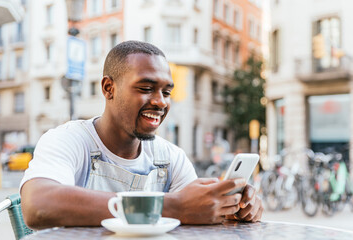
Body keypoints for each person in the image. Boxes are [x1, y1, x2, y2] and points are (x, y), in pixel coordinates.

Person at [20, 41, 263, 229]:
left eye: (167, 92)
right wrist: (173, 206)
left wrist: (229, 207)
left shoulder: (170, 156)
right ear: (108, 88)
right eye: (146, 88)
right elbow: (37, 205)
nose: (160, 102)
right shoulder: (69, 139)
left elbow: (196, 208)